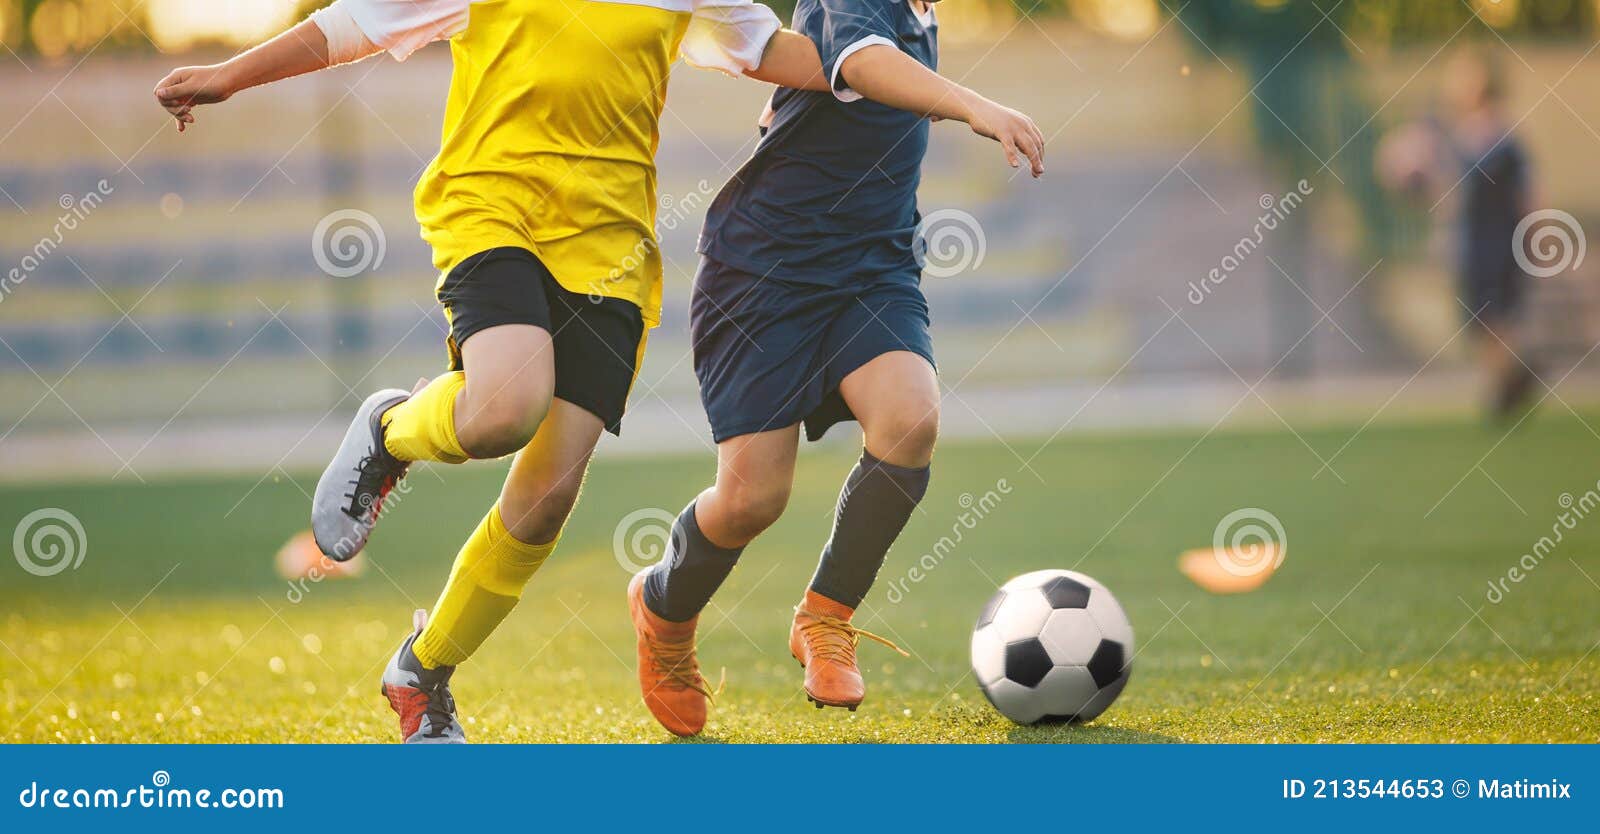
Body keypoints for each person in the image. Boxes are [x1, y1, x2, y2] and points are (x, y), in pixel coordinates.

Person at [154, 0, 835, 743]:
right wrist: (229, 75)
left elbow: (770, 49)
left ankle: (422, 671)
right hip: (493, 207)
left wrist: (900, 76)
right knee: (503, 410)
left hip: (611, 249)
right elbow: (354, 24)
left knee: (545, 500)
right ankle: (391, 429)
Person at [628, 0, 1045, 736]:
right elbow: (859, 61)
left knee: (910, 417)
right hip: (763, 273)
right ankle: (663, 609)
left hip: (871, 267)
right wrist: (975, 106)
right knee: (753, 499)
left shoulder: (923, 11)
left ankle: (825, 618)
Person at [1443, 47, 1538, 421]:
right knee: (1480, 321)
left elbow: (1528, 192)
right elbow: (1450, 194)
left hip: (1501, 240)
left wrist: (1533, 234)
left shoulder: (1505, 138)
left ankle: (1507, 384)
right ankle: (1505, 383)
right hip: (1472, 242)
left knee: (1496, 316)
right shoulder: (1459, 136)